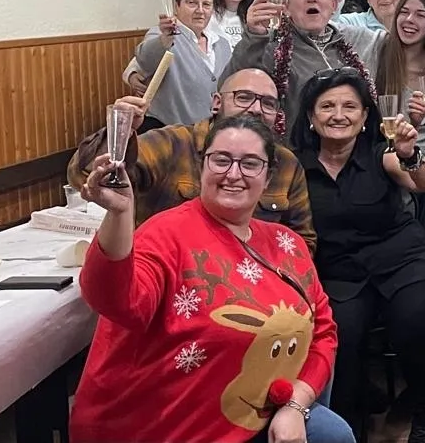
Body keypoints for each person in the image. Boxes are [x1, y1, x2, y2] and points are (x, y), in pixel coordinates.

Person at [68, 113, 354, 443]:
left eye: (250, 164)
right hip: (165, 428)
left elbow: (323, 332)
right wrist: (119, 215)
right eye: (221, 160)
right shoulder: (165, 234)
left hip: (256, 416)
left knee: (333, 435)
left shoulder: (286, 244)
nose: (233, 174)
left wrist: (295, 405)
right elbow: (116, 301)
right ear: (202, 166)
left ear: (268, 177)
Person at [290, 68, 425, 442]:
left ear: (364, 117)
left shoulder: (382, 154)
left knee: (411, 324)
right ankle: (347, 422)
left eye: (349, 106)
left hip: (404, 262)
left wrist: (410, 154)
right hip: (339, 273)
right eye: (327, 106)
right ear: (311, 116)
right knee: (339, 337)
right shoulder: (293, 165)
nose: (338, 115)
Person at [68, 70, 315, 247]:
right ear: (217, 103)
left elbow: (302, 239)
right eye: (243, 97)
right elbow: (84, 176)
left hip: (254, 283)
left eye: (268, 103)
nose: (256, 109)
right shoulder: (171, 144)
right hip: (174, 280)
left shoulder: (285, 163)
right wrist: (120, 132)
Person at [225, 0, 377, 137]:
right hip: (294, 149)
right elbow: (228, 88)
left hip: (358, 147)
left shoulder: (357, 40)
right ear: (286, 6)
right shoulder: (270, 47)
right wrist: (253, 37)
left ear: (334, 4)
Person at [135, 0, 233, 128]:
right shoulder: (162, 35)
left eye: (206, 4)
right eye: (192, 3)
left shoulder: (222, 44)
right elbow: (145, 61)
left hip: (213, 133)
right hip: (169, 133)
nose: (200, 10)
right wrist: (165, 40)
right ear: (176, 6)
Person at [370, 0, 425, 156]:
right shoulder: (377, 51)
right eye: (404, 12)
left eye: (420, 15)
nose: (409, 19)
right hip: (384, 158)